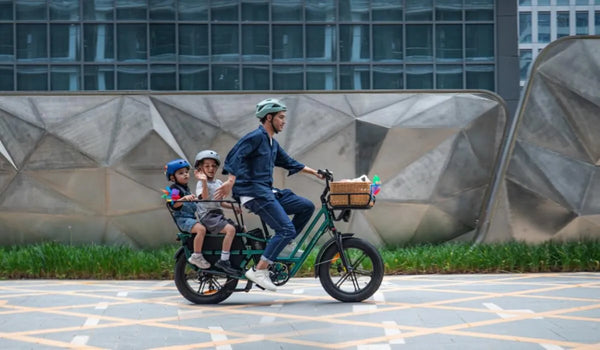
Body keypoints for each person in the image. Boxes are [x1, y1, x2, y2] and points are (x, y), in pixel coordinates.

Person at [214, 98, 323, 291]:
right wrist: (230, 181)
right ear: (269, 117)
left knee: (306, 206)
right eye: (281, 117)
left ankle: (286, 244)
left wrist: (315, 172)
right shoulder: (255, 137)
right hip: (252, 192)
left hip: (266, 191)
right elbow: (235, 155)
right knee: (286, 228)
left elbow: (289, 162)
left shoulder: (272, 142)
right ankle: (259, 269)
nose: (284, 121)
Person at [193, 150, 243, 276]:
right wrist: (204, 181)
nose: (211, 168)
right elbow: (204, 198)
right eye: (207, 166)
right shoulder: (201, 184)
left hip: (217, 214)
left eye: (214, 166)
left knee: (240, 228)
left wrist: (233, 207)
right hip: (208, 216)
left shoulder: (219, 183)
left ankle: (237, 257)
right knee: (230, 230)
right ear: (200, 168)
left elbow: (219, 202)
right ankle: (224, 260)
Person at [164, 159, 210, 269]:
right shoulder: (174, 189)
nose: (185, 175)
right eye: (181, 173)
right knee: (201, 229)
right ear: (172, 177)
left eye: (186, 172)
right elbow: (173, 205)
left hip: (190, 218)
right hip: (183, 220)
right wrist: (184, 198)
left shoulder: (186, 188)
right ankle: (197, 256)